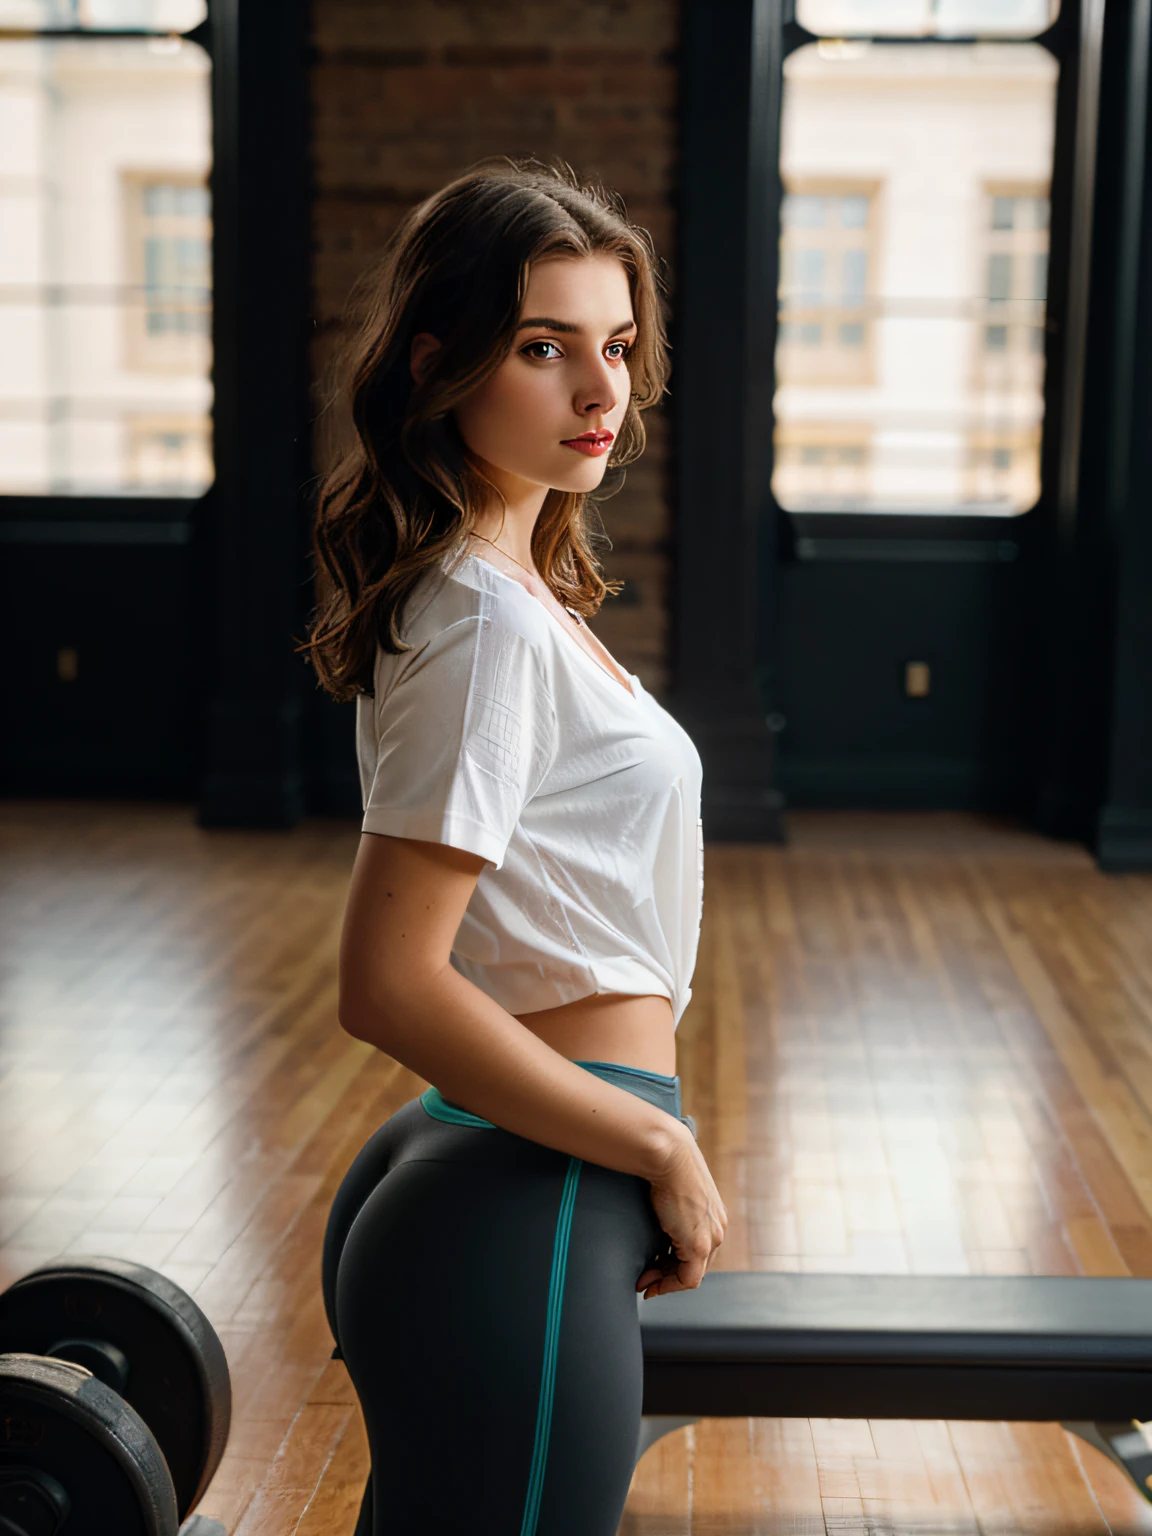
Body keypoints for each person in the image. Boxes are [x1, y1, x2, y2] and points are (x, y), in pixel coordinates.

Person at [307, 160, 727, 1536]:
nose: (600, 391)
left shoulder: (513, 598)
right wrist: (654, 1144)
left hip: (511, 1177)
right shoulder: (485, 621)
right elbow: (389, 982)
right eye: (545, 349)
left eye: (615, 347)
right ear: (443, 364)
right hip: (528, 1193)